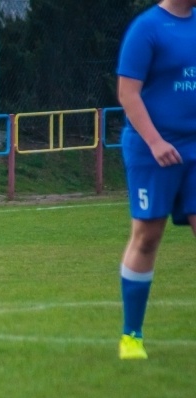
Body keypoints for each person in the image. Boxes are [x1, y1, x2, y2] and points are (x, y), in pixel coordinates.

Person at [115, 0, 196, 360]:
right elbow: (127, 93)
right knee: (147, 236)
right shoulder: (147, 28)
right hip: (152, 149)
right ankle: (131, 336)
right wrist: (155, 142)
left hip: (194, 147)